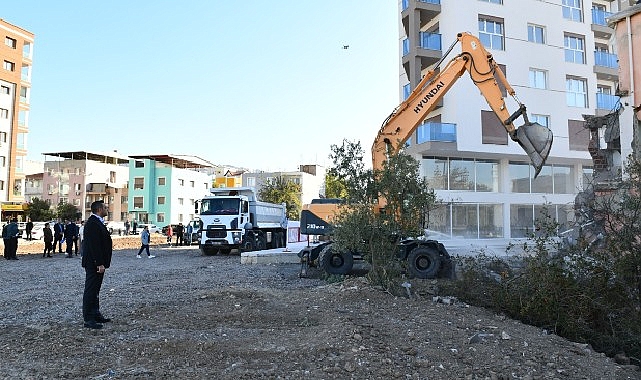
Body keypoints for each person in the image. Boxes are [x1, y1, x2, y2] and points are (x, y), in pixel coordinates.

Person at [81, 200, 113, 330]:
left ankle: (95, 313)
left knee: (96, 290)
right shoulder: (93, 223)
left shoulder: (97, 222)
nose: (107, 210)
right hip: (94, 263)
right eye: (105, 207)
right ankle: (88, 318)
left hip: (98, 263)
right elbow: (94, 245)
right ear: (99, 209)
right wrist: (99, 263)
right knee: (91, 290)